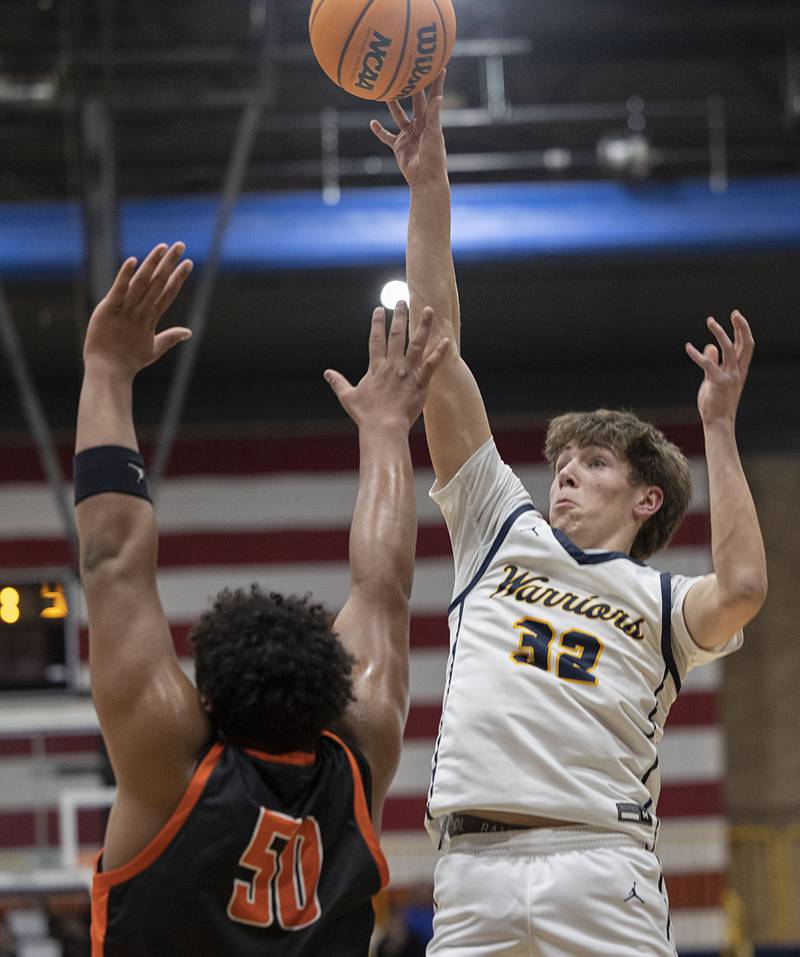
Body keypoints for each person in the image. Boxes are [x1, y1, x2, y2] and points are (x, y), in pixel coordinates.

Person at [371, 74, 768, 956]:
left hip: (601, 862)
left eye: (592, 463)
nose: (564, 477)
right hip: (471, 865)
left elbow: (742, 584)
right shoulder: (498, 528)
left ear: (646, 497)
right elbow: (436, 352)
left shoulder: (663, 605)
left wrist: (718, 427)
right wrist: (429, 185)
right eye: (560, 462)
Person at [74, 241, 448, 955]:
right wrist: (387, 430)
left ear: (205, 697)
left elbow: (112, 555)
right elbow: (384, 586)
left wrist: (105, 371)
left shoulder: (167, 761)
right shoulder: (358, 755)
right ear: (332, 690)